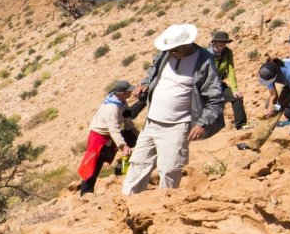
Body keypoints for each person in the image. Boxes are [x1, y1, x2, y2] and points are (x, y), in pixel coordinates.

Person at [121, 24, 225, 196]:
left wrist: (201, 123)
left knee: (169, 170)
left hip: (177, 126)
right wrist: (145, 84)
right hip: (152, 122)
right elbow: (152, 71)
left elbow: (215, 98)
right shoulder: (165, 53)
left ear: (186, 45)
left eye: (175, 49)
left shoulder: (204, 60)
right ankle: (127, 205)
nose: (171, 52)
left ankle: (165, 210)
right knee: (137, 165)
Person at [76, 80, 137, 195]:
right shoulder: (111, 108)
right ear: (122, 93)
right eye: (128, 91)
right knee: (94, 164)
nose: (130, 92)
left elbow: (126, 116)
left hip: (110, 134)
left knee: (131, 143)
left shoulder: (121, 102)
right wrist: (123, 146)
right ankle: (86, 193)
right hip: (99, 136)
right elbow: (114, 129)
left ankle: (123, 171)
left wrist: (132, 129)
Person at [209, 30, 248, 130]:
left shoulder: (227, 52)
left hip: (219, 84)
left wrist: (235, 89)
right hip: (206, 86)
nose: (223, 44)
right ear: (214, 42)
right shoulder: (206, 54)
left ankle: (241, 125)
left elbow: (230, 71)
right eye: (220, 41)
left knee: (237, 98)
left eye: (225, 42)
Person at [258, 57, 290, 136]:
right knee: (270, 106)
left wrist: (280, 105)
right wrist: (269, 112)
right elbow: (273, 95)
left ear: (276, 74)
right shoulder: (268, 73)